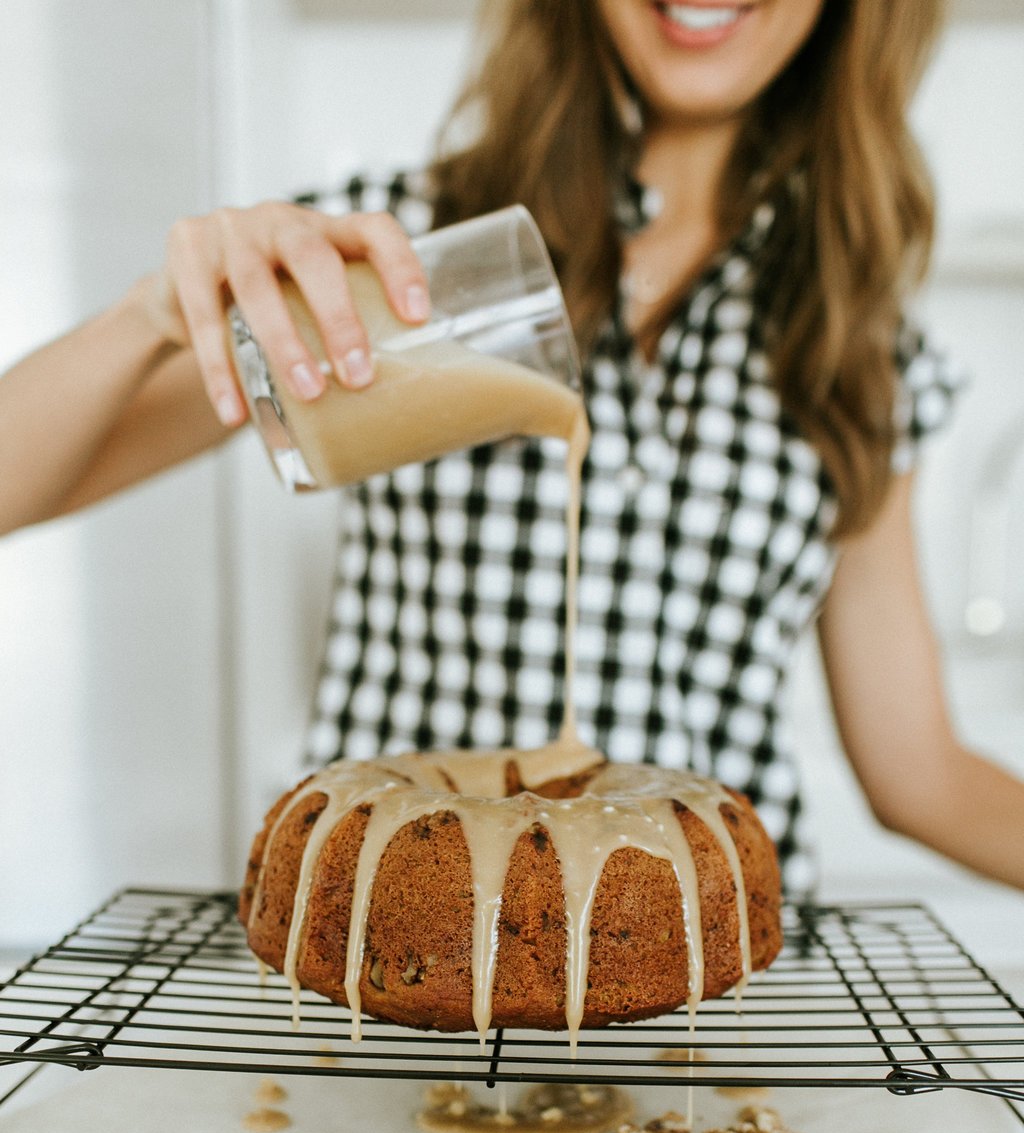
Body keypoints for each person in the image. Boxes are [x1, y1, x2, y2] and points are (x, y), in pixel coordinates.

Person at [1, 0, 1022, 899]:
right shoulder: (402, 258)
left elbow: (917, 770)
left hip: (702, 1025)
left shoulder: (850, 339)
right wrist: (151, 315)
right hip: (399, 973)